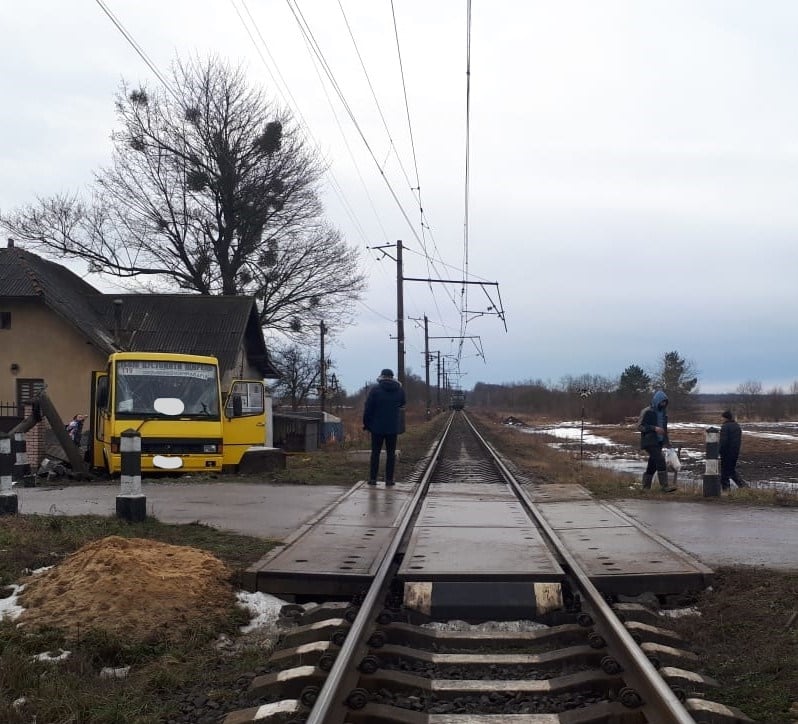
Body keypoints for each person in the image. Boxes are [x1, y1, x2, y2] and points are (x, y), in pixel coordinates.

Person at [362, 368, 406, 486]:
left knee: (375, 453)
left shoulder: (375, 390)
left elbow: (368, 409)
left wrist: (366, 424)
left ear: (381, 376)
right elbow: (402, 403)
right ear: (392, 377)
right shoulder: (400, 390)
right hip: (392, 427)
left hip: (377, 428)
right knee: (391, 454)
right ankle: (389, 480)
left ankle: (373, 479)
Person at [637, 390, 677, 493]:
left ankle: (645, 488)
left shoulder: (664, 414)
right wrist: (654, 428)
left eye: (665, 402)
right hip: (649, 441)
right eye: (662, 402)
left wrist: (667, 442)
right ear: (657, 401)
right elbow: (640, 426)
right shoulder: (647, 411)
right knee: (660, 459)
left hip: (659, 442)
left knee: (653, 464)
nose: (663, 404)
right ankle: (664, 486)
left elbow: (665, 429)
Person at [719, 410, 748, 490]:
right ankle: (743, 487)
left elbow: (723, 442)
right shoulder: (737, 426)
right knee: (731, 470)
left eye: (722, 417)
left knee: (725, 472)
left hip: (726, 453)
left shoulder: (725, 427)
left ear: (725, 417)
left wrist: (718, 451)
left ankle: (726, 489)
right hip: (735, 451)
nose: (721, 419)